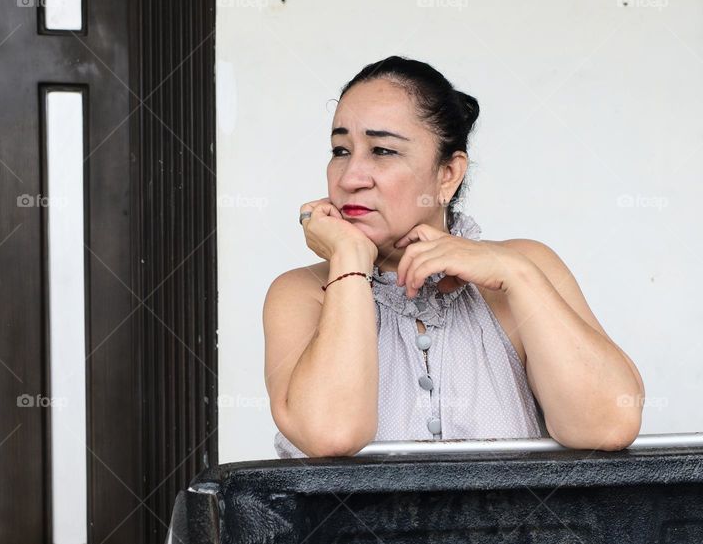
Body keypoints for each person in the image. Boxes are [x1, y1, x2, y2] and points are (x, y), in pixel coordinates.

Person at [263, 55, 645, 458]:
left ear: (448, 174)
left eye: (382, 150)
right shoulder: (302, 294)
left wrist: (516, 274)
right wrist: (348, 259)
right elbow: (332, 434)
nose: (351, 177)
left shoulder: (527, 267)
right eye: (340, 150)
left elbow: (608, 425)